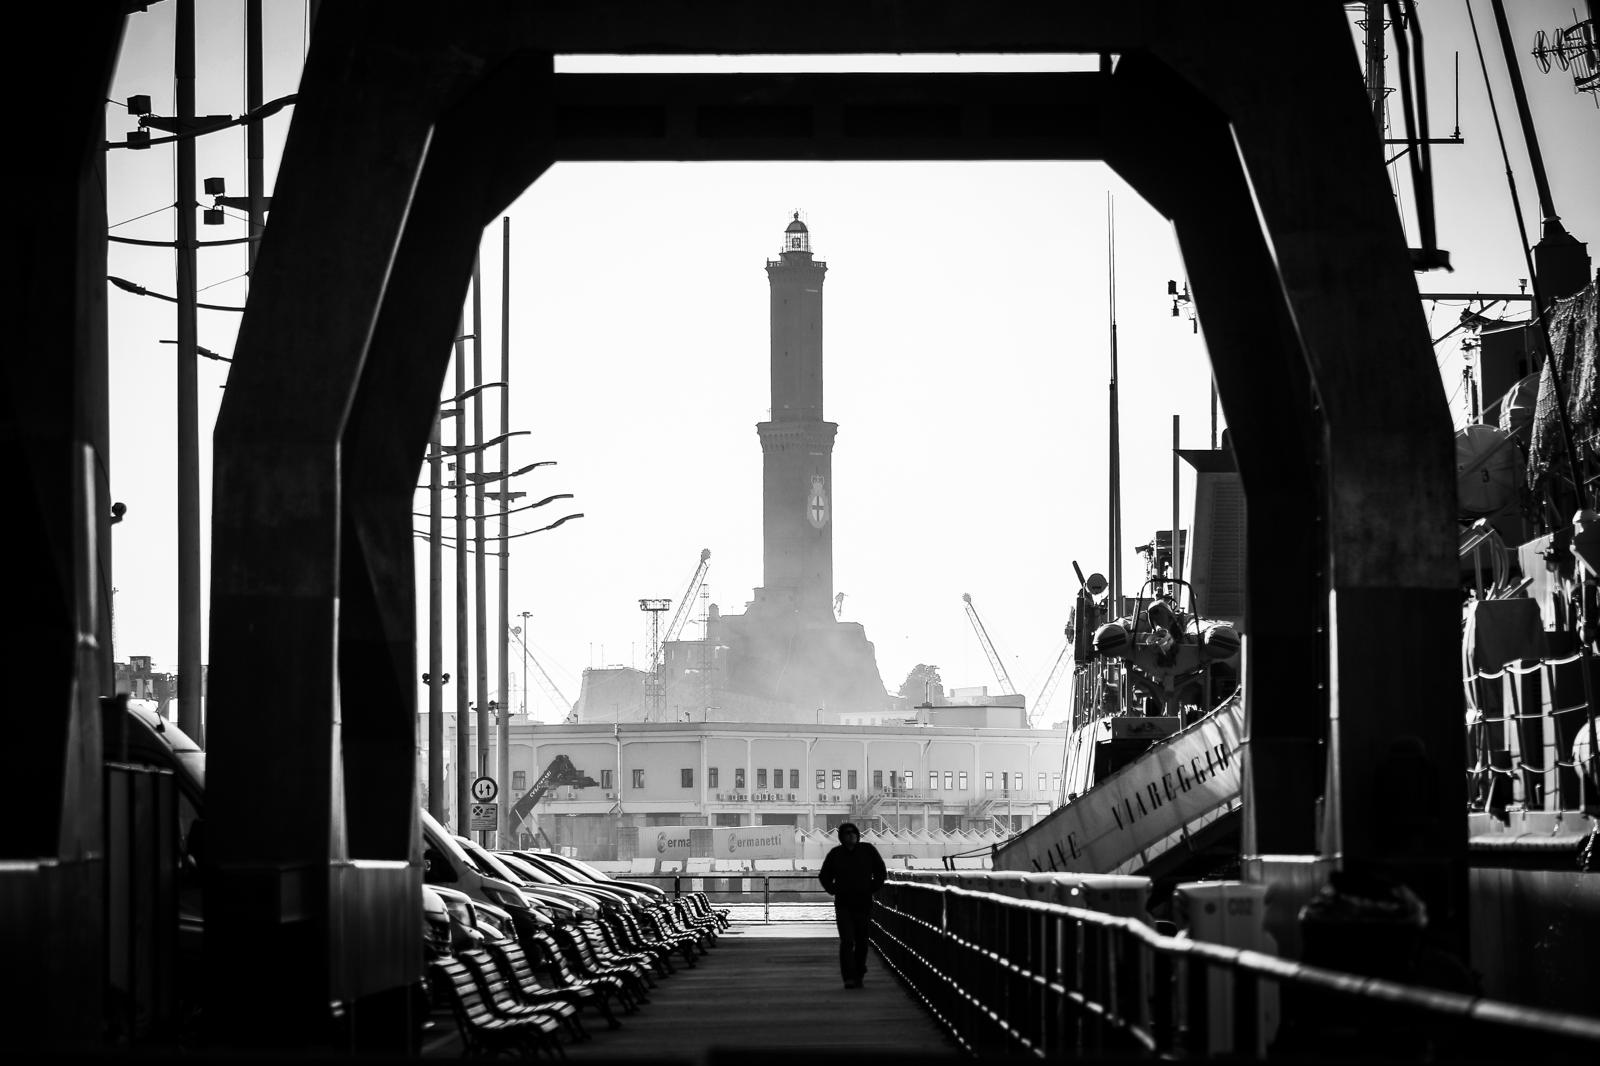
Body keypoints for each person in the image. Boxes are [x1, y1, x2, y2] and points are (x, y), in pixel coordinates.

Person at [818, 822, 886, 989]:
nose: (851, 835)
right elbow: (824, 875)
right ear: (841, 837)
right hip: (844, 904)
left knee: (862, 941)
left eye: (853, 832)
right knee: (847, 941)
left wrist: (871, 887)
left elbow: (880, 871)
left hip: (863, 903)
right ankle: (849, 976)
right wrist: (833, 889)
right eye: (847, 833)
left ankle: (859, 972)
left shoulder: (868, 851)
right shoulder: (835, 854)